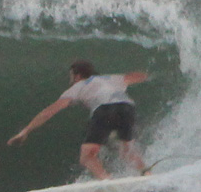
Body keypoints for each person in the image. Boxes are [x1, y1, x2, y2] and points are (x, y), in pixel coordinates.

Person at [8, 59, 149, 179]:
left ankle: (108, 181)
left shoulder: (78, 86)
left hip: (104, 110)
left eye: (71, 76)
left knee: (87, 156)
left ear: (77, 76)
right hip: (128, 108)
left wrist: (26, 130)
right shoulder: (112, 78)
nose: (70, 80)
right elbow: (140, 76)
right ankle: (147, 174)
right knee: (127, 150)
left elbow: (49, 112)